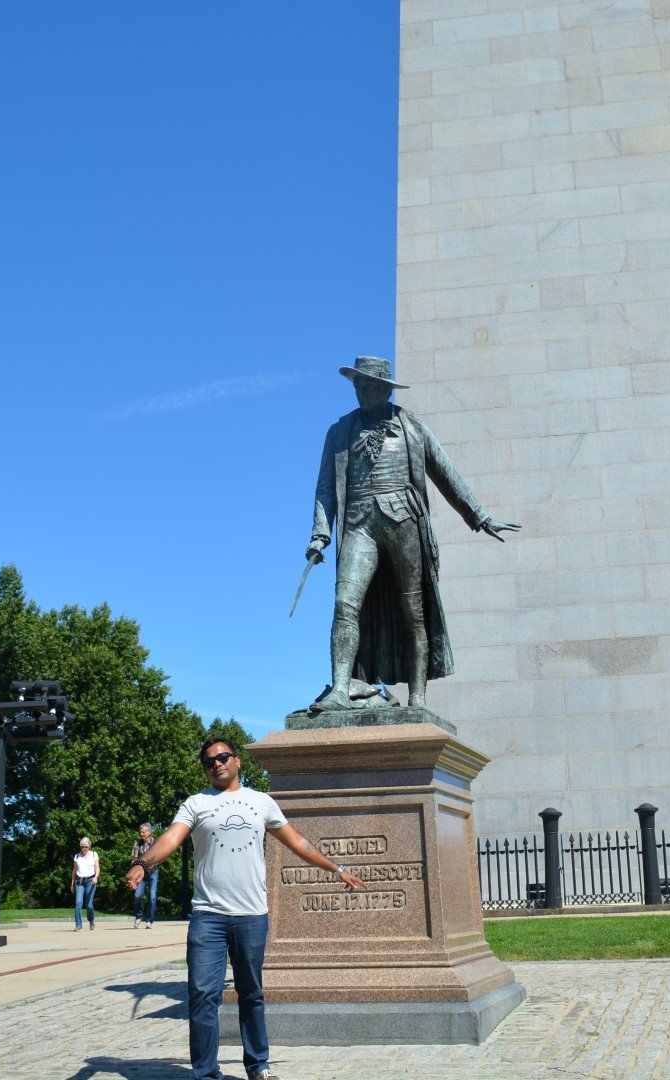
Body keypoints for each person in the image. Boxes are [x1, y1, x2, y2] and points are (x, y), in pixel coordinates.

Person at [126, 737, 368, 1080]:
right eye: (209, 761)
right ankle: (207, 1074)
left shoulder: (261, 802)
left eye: (223, 757)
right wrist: (144, 863)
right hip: (207, 915)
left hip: (252, 915)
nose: (217, 764)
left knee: (251, 993)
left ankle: (258, 1065)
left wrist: (337, 869)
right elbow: (169, 838)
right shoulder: (196, 804)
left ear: (237, 761)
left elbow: (298, 842)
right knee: (202, 995)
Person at [306, 356, 519, 712]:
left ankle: (418, 697)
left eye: (368, 385)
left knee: (413, 611)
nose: (360, 391)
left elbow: (445, 473)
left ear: (385, 389)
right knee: (345, 603)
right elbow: (325, 489)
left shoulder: (411, 426)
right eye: (357, 385)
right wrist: (319, 535)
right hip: (359, 524)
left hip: (405, 521)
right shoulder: (339, 432)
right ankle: (341, 689)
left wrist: (479, 516)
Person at [131, 824, 159, 929]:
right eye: (141, 832)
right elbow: (133, 860)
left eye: (143, 832)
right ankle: (138, 916)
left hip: (153, 873)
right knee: (137, 896)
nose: (141, 834)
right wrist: (133, 875)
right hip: (141, 874)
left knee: (152, 897)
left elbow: (161, 856)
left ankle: (149, 920)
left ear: (149, 832)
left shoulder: (156, 843)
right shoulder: (137, 844)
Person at [71, 837, 100, 931]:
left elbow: (97, 868)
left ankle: (91, 921)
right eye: (82, 847)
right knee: (78, 903)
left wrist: (96, 877)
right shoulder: (77, 856)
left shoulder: (94, 855)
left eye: (86, 847)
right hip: (79, 881)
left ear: (89, 846)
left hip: (90, 881)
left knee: (89, 904)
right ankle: (78, 925)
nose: (84, 849)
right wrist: (72, 884)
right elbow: (74, 871)